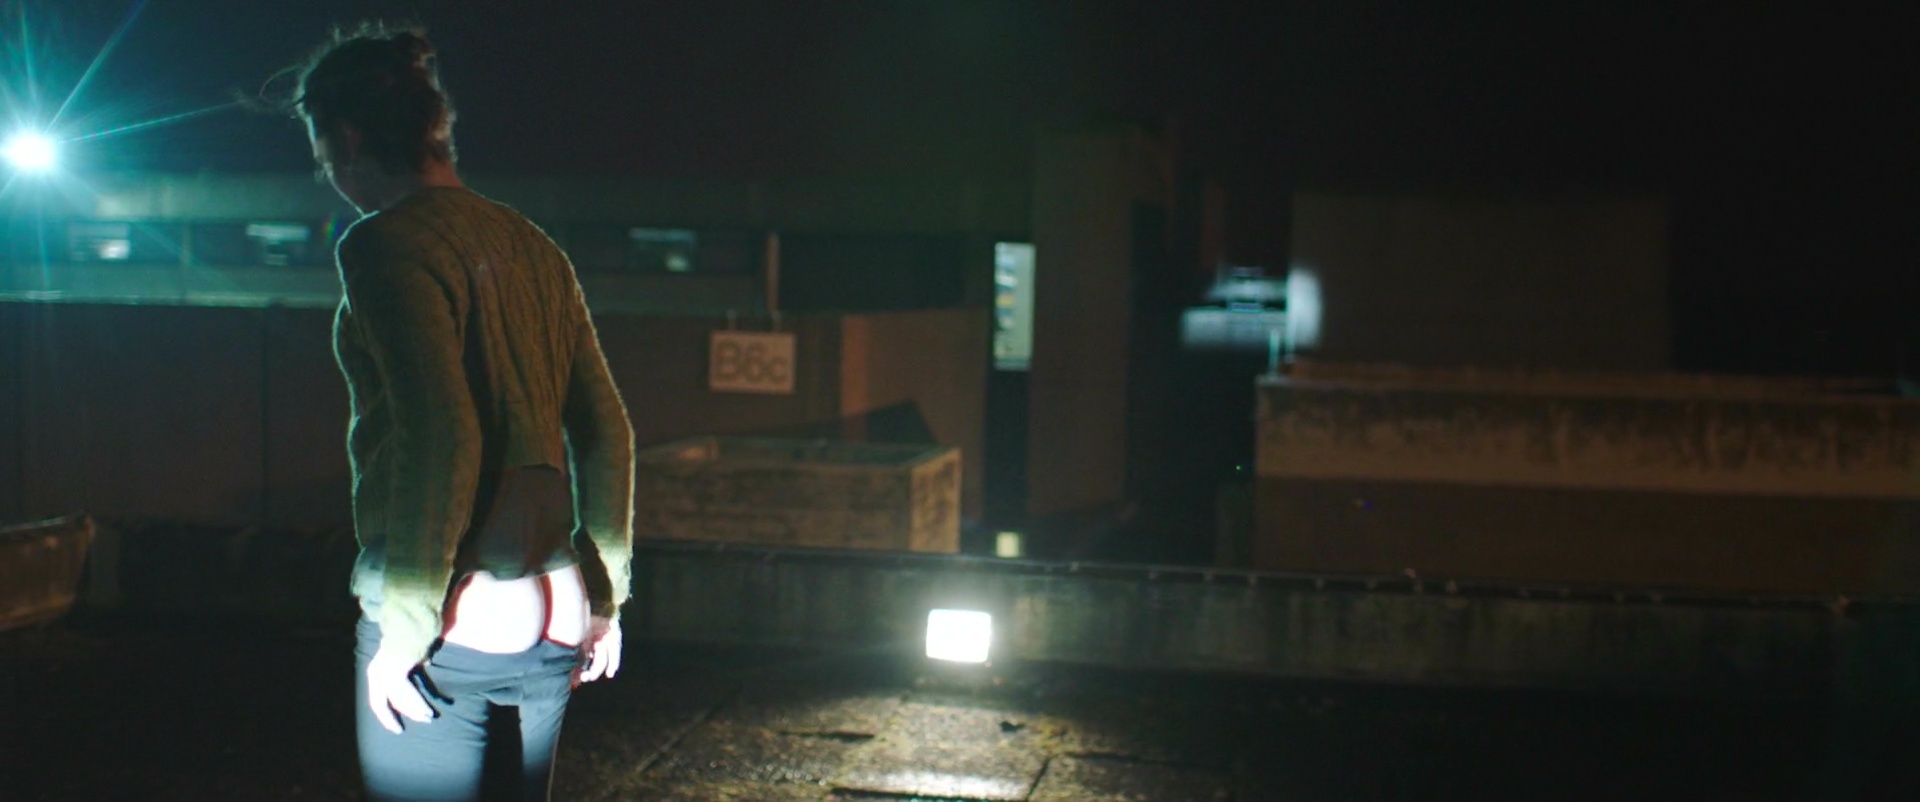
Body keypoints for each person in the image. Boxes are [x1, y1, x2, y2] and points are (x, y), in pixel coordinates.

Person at [282, 23, 635, 802]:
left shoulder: (383, 244)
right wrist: (605, 595)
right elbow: (606, 431)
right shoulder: (534, 246)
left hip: (457, 611)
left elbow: (441, 433)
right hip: (560, 603)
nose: (329, 174)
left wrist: (405, 629)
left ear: (347, 138)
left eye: (322, 153)